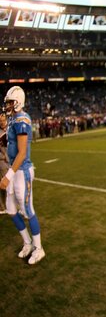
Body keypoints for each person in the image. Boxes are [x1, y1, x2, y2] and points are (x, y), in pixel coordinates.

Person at [0, 86, 45, 264]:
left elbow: (22, 152)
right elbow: (7, 141)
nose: (8, 106)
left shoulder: (22, 120)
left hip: (22, 171)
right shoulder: (13, 120)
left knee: (28, 210)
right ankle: (27, 243)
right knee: (11, 210)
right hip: (14, 169)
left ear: (18, 101)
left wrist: (8, 176)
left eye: (10, 102)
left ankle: (39, 248)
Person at [0, 112, 8, 214]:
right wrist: (3, 155)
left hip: (10, 160)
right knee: (4, 185)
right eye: (0, 121)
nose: (2, 122)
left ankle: (6, 206)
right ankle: (2, 207)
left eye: (3, 120)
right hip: (2, 161)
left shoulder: (10, 130)